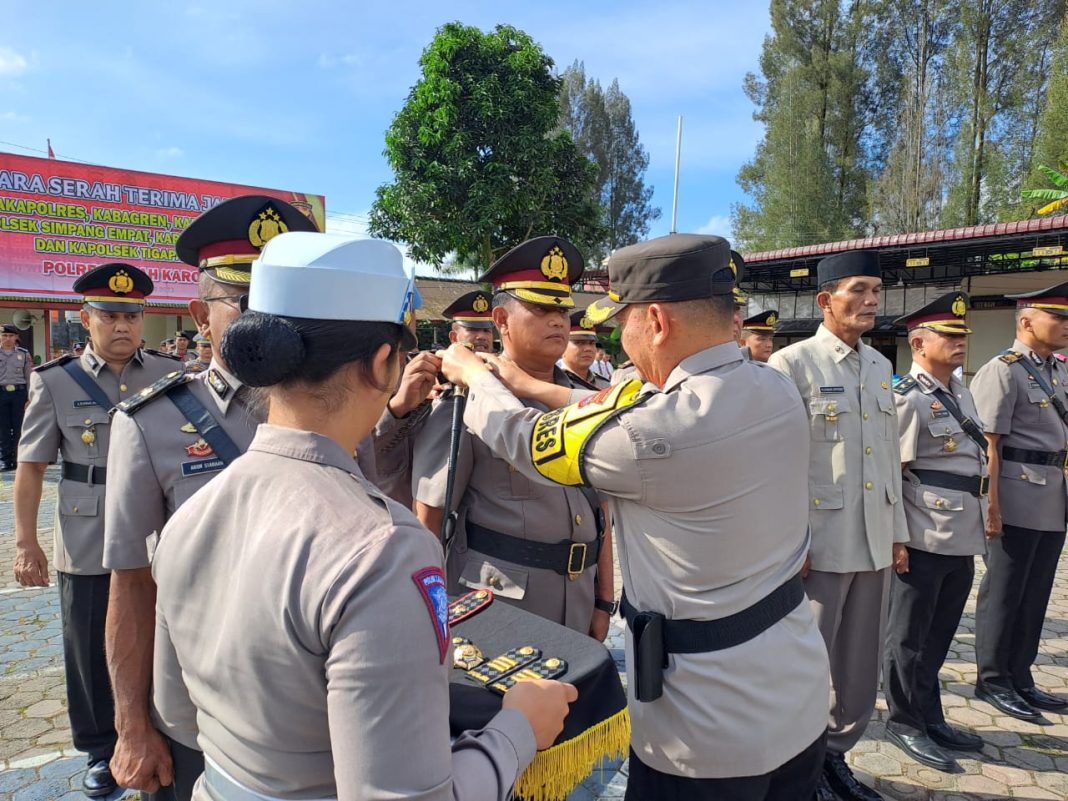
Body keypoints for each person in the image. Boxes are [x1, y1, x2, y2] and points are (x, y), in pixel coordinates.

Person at [151, 231, 576, 801]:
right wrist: (519, 727)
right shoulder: (382, 548)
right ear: (383, 364)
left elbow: (176, 713)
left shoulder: (195, 511)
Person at [440, 232, 830, 801]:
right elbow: (622, 409)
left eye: (621, 322)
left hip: (706, 730)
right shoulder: (772, 386)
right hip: (796, 692)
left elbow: (524, 438)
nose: (616, 339)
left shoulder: (652, 436)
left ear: (655, 321)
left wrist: (474, 376)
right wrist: (525, 384)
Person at [102, 195, 317, 801]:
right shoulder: (150, 424)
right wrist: (131, 726)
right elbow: (132, 584)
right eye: (248, 302)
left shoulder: (338, 408)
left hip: (314, 711)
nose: (271, 319)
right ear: (201, 314)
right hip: (201, 720)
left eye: (285, 300)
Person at [12, 263, 183, 797]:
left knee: (161, 636)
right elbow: (31, 466)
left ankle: (160, 728)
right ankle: (98, 748)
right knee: (88, 647)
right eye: (109, 316)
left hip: (157, 530)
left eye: (131, 315)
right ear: (85, 319)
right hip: (88, 537)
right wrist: (26, 543)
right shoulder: (55, 382)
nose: (122, 326)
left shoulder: (170, 375)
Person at [411, 236, 615, 640]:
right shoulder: (466, 396)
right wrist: (427, 621)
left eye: (562, 309)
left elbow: (602, 512)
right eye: (541, 309)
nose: (558, 320)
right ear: (501, 321)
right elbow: (428, 519)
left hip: (577, 599)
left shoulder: (581, 398)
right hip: (497, 607)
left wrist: (603, 598)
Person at [768, 250, 907, 801]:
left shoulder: (879, 366)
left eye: (876, 290)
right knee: (806, 665)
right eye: (859, 290)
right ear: (826, 300)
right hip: (818, 546)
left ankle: (835, 758)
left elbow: (887, 458)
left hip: (873, 542)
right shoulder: (792, 366)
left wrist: (896, 534)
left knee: (858, 667)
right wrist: (789, 542)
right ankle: (795, 770)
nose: (872, 300)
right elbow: (778, 465)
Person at [883, 292, 988, 772]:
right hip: (922, 534)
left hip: (959, 531)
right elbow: (892, 476)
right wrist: (896, 539)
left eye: (962, 335)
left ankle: (930, 712)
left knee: (941, 632)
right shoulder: (907, 397)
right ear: (919, 343)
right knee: (907, 638)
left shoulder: (961, 392)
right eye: (949, 335)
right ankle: (903, 721)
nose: (959, 342)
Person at [969, 281, 1068, 720]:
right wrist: (992, 506)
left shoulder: (1057, 370)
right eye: (1058, 317)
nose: (1066, 326)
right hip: (1015, 493)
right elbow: (988, 443)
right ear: (1026, 320)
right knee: (1005, 592)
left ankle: (1020, 675)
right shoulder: (1002, 370)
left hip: (1052, 496)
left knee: (1036, 593)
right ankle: (992, 680)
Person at [0, 324, 33, 471]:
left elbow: (29, 376)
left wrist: (30, 397)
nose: (8, 338)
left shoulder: (24, 354)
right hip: (1, 393)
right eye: (5, 335)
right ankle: (6, 460)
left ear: (16, 337)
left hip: (19, 394)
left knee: (19, 427)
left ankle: (18, 459)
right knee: (3, 428)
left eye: (11, 336)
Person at [559, 309, 609, 390]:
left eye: (592, 343)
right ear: (562, 346)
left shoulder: (605, 385)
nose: (588, 349)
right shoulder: (552, 382)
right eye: (579, 343)